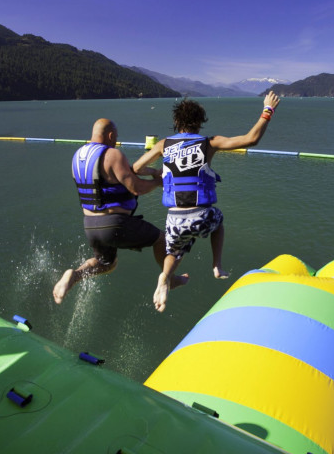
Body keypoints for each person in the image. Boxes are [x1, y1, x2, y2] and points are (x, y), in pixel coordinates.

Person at [134, 91, 281, 312]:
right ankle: (216, 266)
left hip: (174, 219)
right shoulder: (209, 142)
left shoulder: (164, 144)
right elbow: (251, 139)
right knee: (219, 220)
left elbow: (135, 169)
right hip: (201, 215)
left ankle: (165, 277)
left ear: (177, 122)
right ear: (200, 122)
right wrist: (268, 110)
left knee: (174, 252)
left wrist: (158, 174)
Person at [53, 118, 188, 305]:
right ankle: (169, 279)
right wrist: (161, 182)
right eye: (115, 138)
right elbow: (136, 188)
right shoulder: (112, 154)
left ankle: (73, 276)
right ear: (110, 135)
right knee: (161, 239)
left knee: (106, 264)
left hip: (90, 225)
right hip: (115, 223)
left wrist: (151, 171)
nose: (116, 142)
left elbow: (111, 178)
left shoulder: (78, 156)